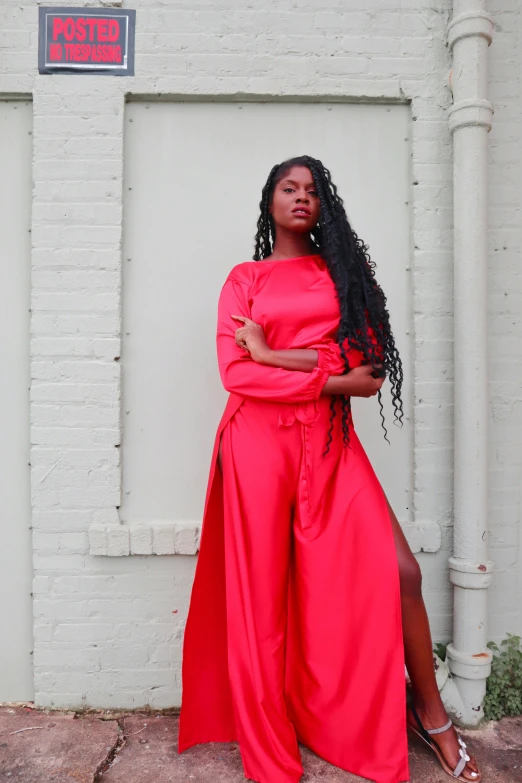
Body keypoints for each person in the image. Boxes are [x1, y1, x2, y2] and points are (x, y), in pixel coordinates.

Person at [178, 155, 480, 783]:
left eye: (312, 191)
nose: (300, 198)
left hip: (331, 445)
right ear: (270, 201)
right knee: (262, 600)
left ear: (325, 204)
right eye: (288, 188)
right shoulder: (245, 279)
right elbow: (236, 374)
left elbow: (367, 378)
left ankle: (431, 715)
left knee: (401, 573)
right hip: (256, 448)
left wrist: (273, 353)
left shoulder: (346, 274)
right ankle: (269, 751)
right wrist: (321, 369)